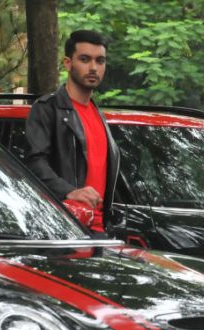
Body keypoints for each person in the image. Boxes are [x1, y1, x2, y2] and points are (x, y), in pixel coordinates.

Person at [25, 30, 120, 233]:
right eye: (85, 59)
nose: (93, 67)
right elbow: (34, 162)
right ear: (68, 63)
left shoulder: (98, 115)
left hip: (101, 230)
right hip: (64, 228)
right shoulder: (47, 108)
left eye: (100, 61)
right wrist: (70, 191)